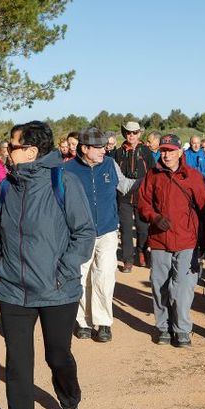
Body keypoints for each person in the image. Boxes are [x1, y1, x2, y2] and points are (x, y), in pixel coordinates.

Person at [0, 121, 95, 409]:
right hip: (13, 290)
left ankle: (69, 399)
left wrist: (61, 272)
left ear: (31, 151)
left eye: (11, 147)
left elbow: (84, 234)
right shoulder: (7, 187)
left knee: (57, 356)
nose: (6, 152)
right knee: (18, 367)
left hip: (57, 290)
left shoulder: (63, 181)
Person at [138, 134, 205, 347]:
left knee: (183, 288)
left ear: (180, 151)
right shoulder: (152, 175)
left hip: (187, 241)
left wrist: (204, 241)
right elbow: (143, 203)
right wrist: (155, 217)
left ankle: (182, 329)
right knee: (159, 285)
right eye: (163, 150)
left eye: (171, 150)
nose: (167, 154)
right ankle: (163, 326)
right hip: (159, 240)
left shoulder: (192, 176)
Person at [64, 128, 136, 343]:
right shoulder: (67, 170)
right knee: (82, 276)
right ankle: (84, 321)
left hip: (107, 229)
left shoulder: (110, 165)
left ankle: (103, 322)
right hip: (78, 234)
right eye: (98, 147)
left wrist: (149, 182)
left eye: (104, 146)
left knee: (104, 276)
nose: (104, 150)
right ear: (84, 148)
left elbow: (124, 185)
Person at [113, 121, 156, 272]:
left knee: (142, 228)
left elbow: (153, 173)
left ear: (139, 134)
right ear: (125, 133)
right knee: (125, 228)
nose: (131, 135)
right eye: (129, 132)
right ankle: (128, 260)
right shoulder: (118, 152)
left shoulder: (145, 151)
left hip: (142, 194)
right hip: (123, 195)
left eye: (134, 132)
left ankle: (142, 252)